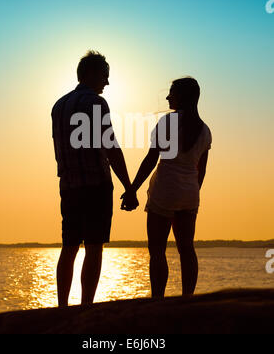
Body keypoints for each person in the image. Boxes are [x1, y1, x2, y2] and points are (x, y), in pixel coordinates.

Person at [52, 50, 138, 307]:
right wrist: (129, 186)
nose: (107, 82)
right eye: (105, 75)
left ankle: (62, 307)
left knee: (69, 247)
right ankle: (86, 307)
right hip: (95, 186)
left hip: (68, 185)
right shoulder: (96, 104)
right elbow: (110, 146)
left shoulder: (59, 105)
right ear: (91, 73)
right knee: (94, 246)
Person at [121, 77, 212, 298]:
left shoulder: (168, 122)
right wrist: (192, 192)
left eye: (171, 92)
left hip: (165, 190)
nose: (167, 97)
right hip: (189, 193)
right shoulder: (204, 130)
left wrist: (132, 188)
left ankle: (158, 300)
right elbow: (202, 170)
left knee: (157, 251)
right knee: (187, 249)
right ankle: (187, 298)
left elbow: (151, 159)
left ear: (182, 96)